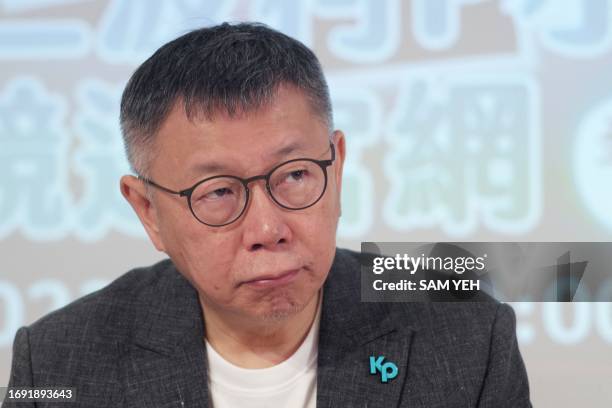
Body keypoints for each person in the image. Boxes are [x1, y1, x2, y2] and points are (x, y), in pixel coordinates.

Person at [4, 22, 531, 407]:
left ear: (338, 165)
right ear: (148, 211)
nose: (267, 230)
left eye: (296, 175)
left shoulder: (468, 331)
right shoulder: (54, 363)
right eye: (217, 193)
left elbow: (574, 272)